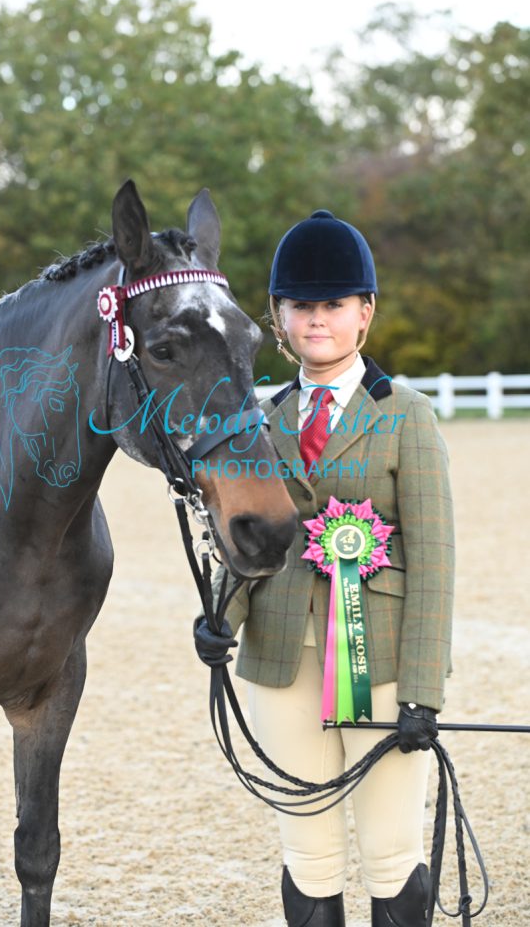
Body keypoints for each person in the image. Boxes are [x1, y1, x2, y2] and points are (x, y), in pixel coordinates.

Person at [194, 209, 455, 927]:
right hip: (281, 658)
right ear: (277, 317)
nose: (317, 319)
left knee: (390, 852)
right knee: (308, 854)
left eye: (334, 304)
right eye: (300, 305)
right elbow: (247, 538)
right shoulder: (258, 421)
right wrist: (219, 617)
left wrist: (423, 691)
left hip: (384, 663)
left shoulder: (406, 416)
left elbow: (434, 562)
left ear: (364, 312)